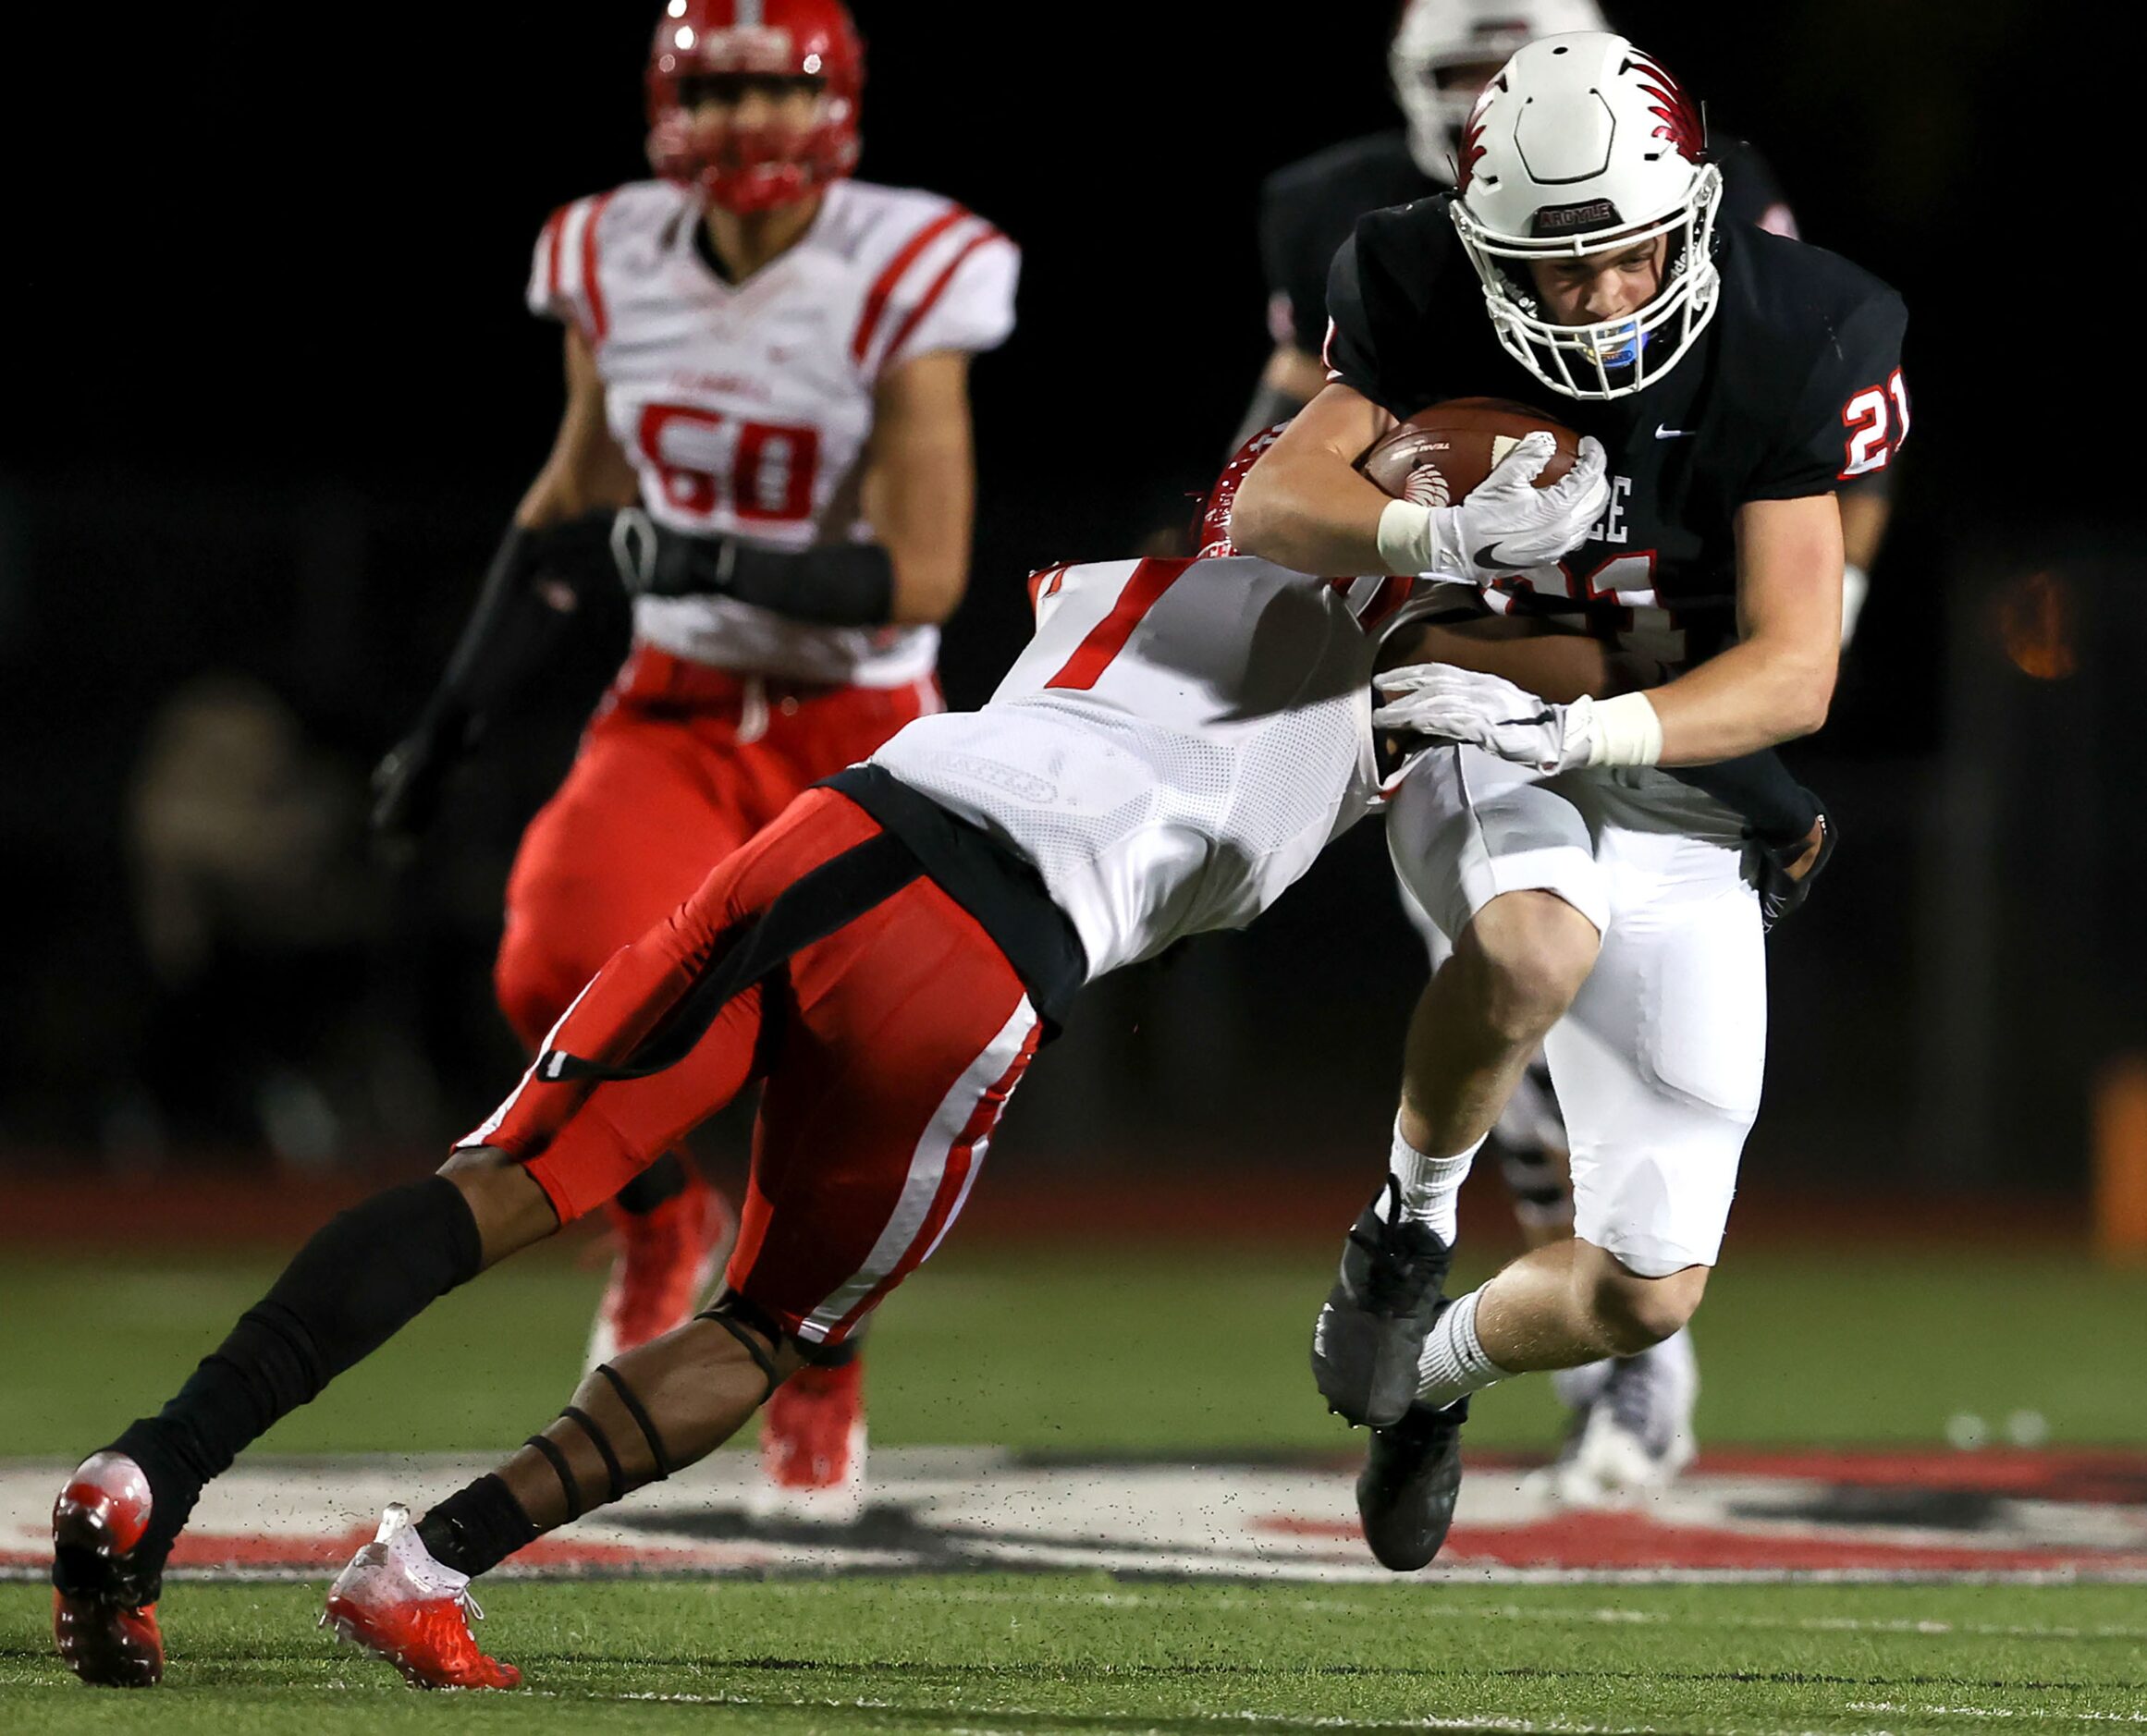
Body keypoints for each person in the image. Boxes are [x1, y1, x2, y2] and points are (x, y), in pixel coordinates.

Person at [48, 428, 1503, 1689]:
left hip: (834, 828)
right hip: (976, 958)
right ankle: (424, 1564)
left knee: (507, 1172)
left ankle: (149, 1468)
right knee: (769, 1329)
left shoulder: (1122, 588)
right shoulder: (1358, 728)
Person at [1230, 29, 1904, 1568]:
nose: (1596, 295)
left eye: (1624, 254)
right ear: (1482, 251)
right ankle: (1405, 1224)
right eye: (1552, 269)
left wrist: (1592, 734)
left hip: (1669, 754)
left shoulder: (1803, 324)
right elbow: (1273, 499)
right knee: (1533, 943)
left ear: (1693, 214)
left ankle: (1432, 1381)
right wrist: (1432, 539)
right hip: (1474, 698)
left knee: (1646, 1286)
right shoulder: (1409, 278)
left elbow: (1796, 668)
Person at [369, 0, 1018, 1516]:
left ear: (836, 106)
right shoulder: (610, 251)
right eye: (713, 90)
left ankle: (816, 1341)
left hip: (858, 724)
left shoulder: (909, 264)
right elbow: (578, 485)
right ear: (667, 100)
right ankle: (657, 1221)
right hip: (673, 700)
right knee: (553, 966)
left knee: (846, 1062)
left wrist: (716, 548)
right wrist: (456, 709)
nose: (740, 124)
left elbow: (922, 571)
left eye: (770, 91)